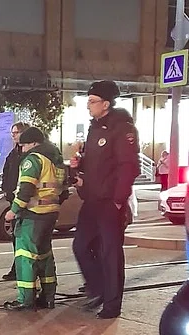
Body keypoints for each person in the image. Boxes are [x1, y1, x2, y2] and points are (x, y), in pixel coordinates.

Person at [71, 80, 140, 319]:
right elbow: (93, 166)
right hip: (91, 200)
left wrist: (118, 200)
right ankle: (98, 288)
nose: (88, 106)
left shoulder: (122, 129)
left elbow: (129, 166)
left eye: (92, 102)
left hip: (110, 202)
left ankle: (112, 304)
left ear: (106, 104)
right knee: (80, 245)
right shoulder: (94, 128)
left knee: (110, 253)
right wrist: (79, 167)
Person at [3, 127, 69, 311]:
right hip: (50, 213)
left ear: (33, 143)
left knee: (25, 256)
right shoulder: (56, 159)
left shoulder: (34, 159)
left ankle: (26, 299)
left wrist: (13, 210)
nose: (22, 149)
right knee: (45, 255)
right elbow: (64, 189)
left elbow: (26, 189)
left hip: (33, 213)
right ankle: (48, 297)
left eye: (23, 145)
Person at [1, 121, 30, 281]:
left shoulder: (29, 154)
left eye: (16, 132)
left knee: (24, 239)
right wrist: (6, 191)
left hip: (26, 203)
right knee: (16, 237)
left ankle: (23, 269)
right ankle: (17, 267)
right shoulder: (13, 153)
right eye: (12, 133)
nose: (13, 136)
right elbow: (7, 173)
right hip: (14, 200)